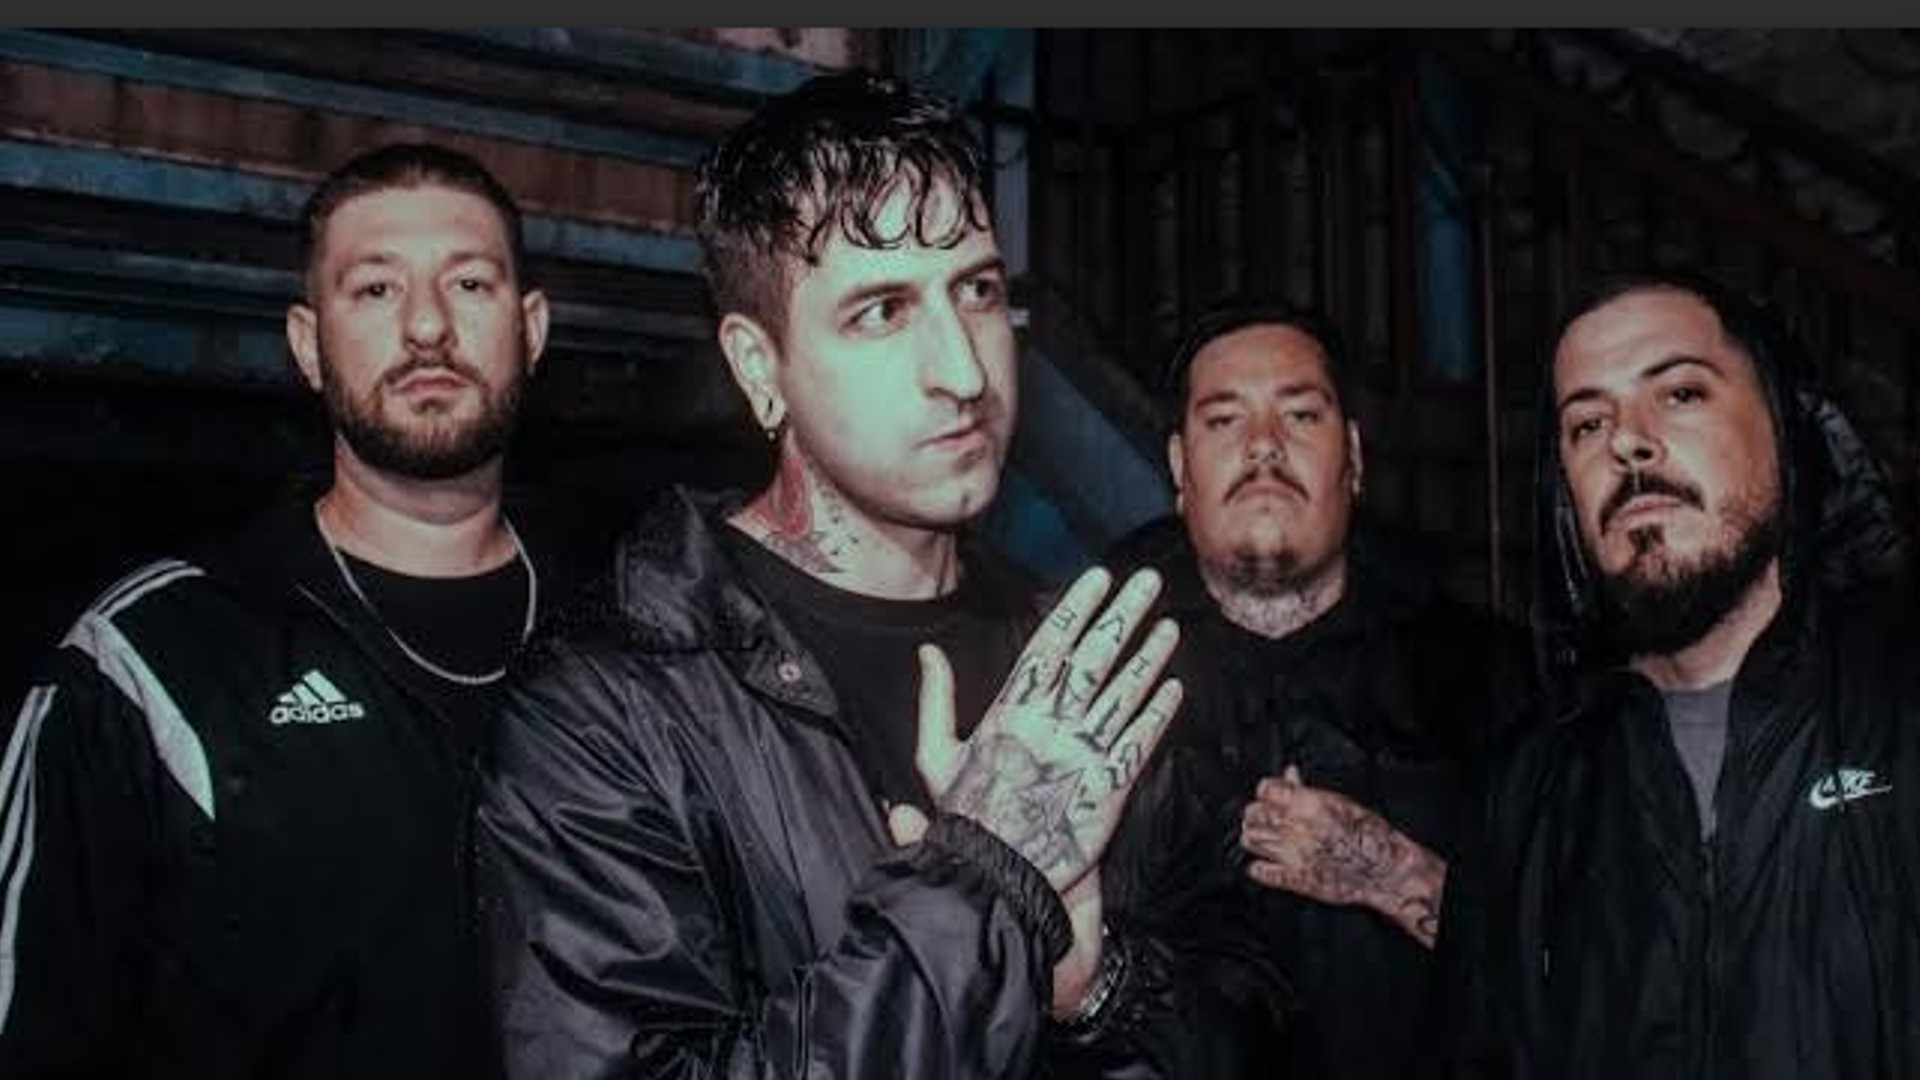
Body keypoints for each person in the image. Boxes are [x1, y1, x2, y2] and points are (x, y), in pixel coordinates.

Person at [476, 71, 1244, 1079]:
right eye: (882, 310)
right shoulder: (606, 710)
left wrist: (1093, 992)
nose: (964, 372)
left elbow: (1252, 1010)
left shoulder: (1075, 671)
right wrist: (982, 885)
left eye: (977, 291)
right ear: (760, 368)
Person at [0, 142, 584, 1077]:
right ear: (309, 347)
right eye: (376, 289)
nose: (427, 327)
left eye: (470, 284)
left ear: (533, 328)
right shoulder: (152, 660)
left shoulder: (632, 627)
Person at [1442, 271, 1920, 1078]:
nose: (1627, 442)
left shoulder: (1902, 709)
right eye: (1587, 422)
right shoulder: (1529, 788)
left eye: (1681, 394)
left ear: (1785, 427)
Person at [1096, 301, 1533, 1078]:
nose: (1264, 445)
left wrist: (1395, 874)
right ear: (1179, 469)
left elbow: (1578, 971)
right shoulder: (1090, 676)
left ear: (1353, 458)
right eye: (1224, 420)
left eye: (1300, 415)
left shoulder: (1488, 676)